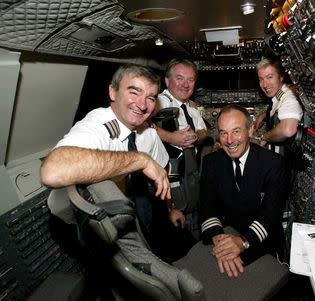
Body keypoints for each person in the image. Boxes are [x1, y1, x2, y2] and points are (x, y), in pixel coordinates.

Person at [40, 64, 188, 261]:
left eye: (150, 97)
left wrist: (171, 209)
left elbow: (161, 175)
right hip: (74, 224)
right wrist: (140, 160)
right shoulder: (97, 126)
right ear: (112, 91)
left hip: (125, 211)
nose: (142, 104)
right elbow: (52, 171)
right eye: (134, 92)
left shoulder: (149, 136)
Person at [199, 104, 288, 278]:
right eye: (224, 133)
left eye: (236, 131)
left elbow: (270, 215)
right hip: (226, 236)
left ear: (250, 130)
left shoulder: (273, 163)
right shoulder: (211, 162)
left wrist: (243, 242)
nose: (230, 140)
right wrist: (220, 242)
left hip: (260, 243)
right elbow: (206, 208)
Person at [153, 58, 208, 238]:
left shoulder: (190, 107)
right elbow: (141, 125)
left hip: (192, 173)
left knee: (195, 220)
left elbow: (203, 130)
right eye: (179, 78)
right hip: (172, 178)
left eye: (190, 80)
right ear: (167, 81)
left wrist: (195, 137)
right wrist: (171, 137)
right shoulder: (157, 102)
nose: (186, 84)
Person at [254, 58, 303, 151]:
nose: (264, 84)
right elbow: (279, 106)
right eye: (261, 79)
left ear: (281, 77)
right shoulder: (280, 93)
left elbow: (288, 130)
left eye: (269, 77)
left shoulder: (289, 97)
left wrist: (264, 137)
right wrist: (265, 115)